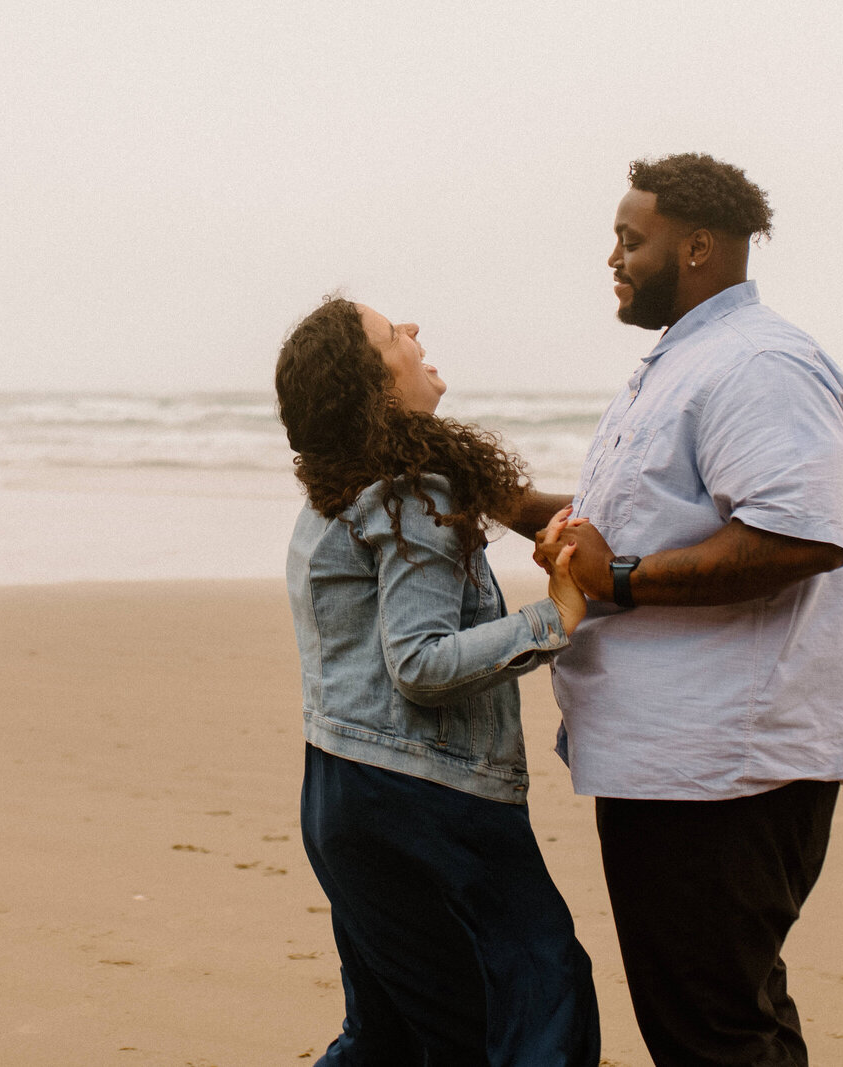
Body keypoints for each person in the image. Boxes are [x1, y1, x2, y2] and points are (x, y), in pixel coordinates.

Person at [518, 153, 843, 1066]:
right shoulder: (682, 362)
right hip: (670, 763)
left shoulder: (758, 363)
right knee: (714, 1018)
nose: (614, 258)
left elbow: (800, 539)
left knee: (711, 1030)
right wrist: (501, 497)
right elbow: (631, 523)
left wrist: (621, 578)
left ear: (700, 247)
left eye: (632, 239)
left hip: (721, 771)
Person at [275, 296, 601, 1066]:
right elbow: (419, 664)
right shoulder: (415, 494)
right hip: (425, 801)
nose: (414, 331)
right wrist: (557, 610)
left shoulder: (336, 499)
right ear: (377, 388)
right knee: (540, 1004)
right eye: (393, 334)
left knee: (391, 1034)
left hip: (339, 791)